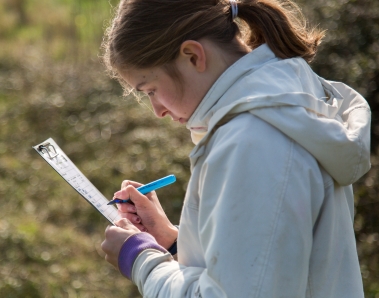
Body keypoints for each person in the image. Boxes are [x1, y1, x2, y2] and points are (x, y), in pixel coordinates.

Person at [100, 0, 371, 297]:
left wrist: (141, 260)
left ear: (193, 56)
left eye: (150, 90)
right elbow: (262, 269)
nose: (157, 111)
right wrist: (174, 243)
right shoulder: (281, 105)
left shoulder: (253, 141)